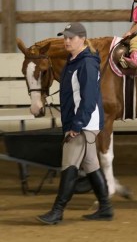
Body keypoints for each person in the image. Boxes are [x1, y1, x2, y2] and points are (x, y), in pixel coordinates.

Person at [36, 22, 113, 225]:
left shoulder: (86, 63)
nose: (66, 41)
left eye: (71, 37)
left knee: (69, 165)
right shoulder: (74, 60)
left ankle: (57, 211)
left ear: (82, 38)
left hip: (83, 122)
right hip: (81, 120)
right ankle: (105, 207)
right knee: (91, 166)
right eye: (65, 37)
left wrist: (77, 125)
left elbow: (88, 98)